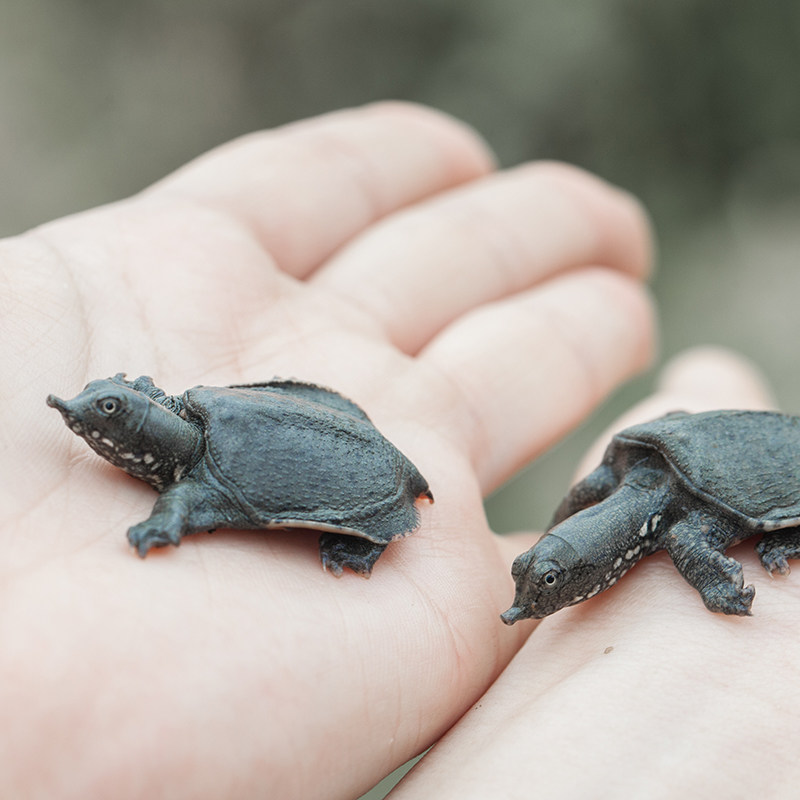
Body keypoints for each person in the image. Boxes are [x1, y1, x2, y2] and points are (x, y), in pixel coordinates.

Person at [0, 102, 782, 800]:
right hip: (622, 446)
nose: (523, 607)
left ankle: (366, 532)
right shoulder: (615, 478)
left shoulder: (681, 521)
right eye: (538, 579)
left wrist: (722, 590)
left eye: (543, 587)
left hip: (706, 467)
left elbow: (192, 498)